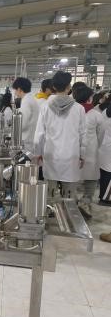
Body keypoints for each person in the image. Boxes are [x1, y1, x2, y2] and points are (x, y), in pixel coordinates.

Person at [34, 71, 86, 198]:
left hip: (51, 156)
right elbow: (83, 135)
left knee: (49, 195)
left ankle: (50, 208)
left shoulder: (45, 107)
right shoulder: (79, 109)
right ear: (69, 87)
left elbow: (39, 135)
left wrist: (38, 153)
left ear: (54, 87)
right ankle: (68, 209)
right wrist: (83, 155)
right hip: (71, 156)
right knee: (69, 195)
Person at [72, 82, 105, 218]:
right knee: (91, 180)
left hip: (73, 150)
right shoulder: (96, 115)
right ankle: (85, 202)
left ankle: (72, 202)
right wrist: (96, 146)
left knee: (72, 179)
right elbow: (101, 134)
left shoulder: (71, 113)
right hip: (91, 151)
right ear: (89, 98)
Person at [12, 77, 39, 153]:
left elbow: (22, 124)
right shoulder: (31, 99)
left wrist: (13, 128)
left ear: (19, 89)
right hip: (31, 138)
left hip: (27, 141)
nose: (15, 93)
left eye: (15, 90)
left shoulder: (26, 101)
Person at [98, 93, 111, 208]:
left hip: (103, 146)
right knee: (108, 176)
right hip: (108, 147)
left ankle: (103, 196)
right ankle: (105, 199)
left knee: (104, 174)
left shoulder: (105, 111)